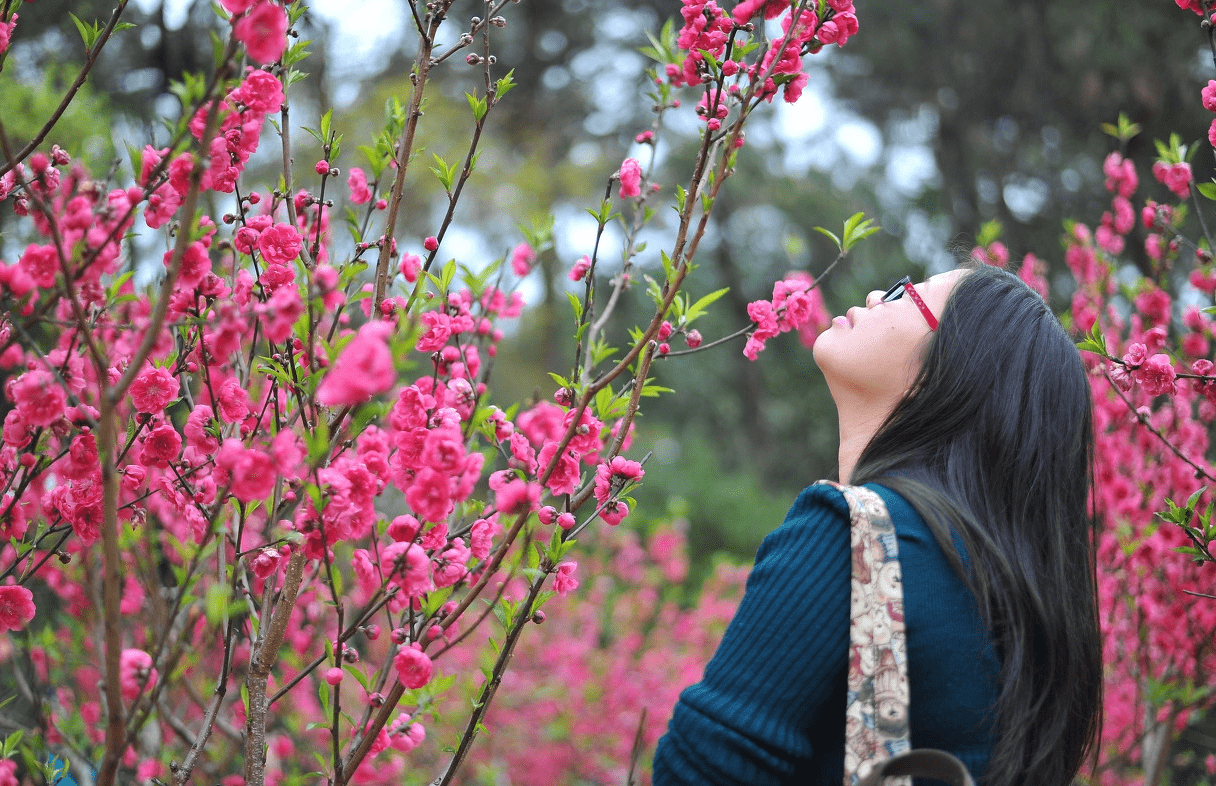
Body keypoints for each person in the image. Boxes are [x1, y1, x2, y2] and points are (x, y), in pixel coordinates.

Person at [652, 264, 1102, 786]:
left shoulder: (845, 538)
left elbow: (699, 770)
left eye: (904, 293)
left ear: (952, 370)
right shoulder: (1022, 607)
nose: (873, 293)